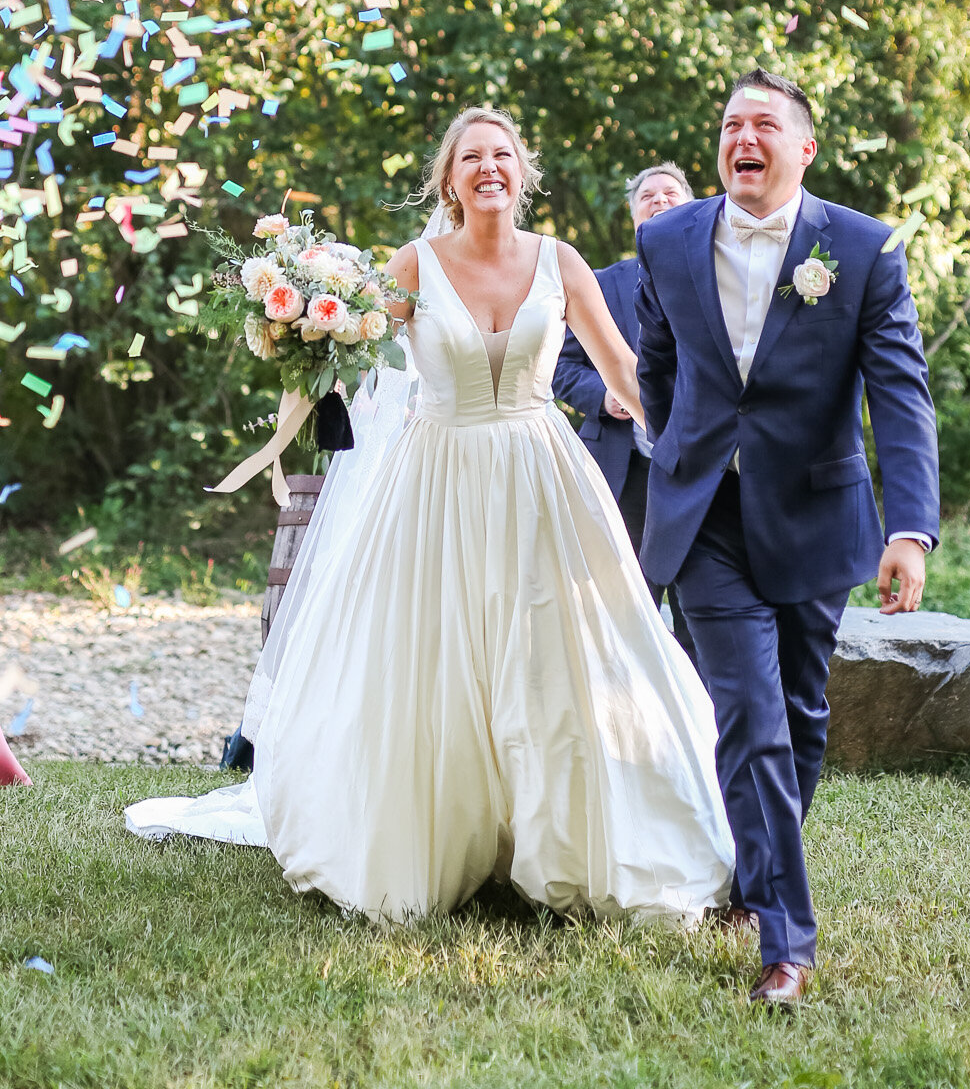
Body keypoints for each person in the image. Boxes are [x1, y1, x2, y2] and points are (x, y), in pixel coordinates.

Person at [132, 106, 733, 927]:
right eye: (471, 158)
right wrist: (312, 329)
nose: (489, 168)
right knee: (433, 656)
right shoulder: (413, 263)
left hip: (540, 477)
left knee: (557, 657)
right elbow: (360, 358)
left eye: (502, 155)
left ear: (523, 173)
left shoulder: (562, 263)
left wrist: (700, 445)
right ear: (448, 181)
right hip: (436, 478)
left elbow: (624, 377)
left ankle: (561, 839)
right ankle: (436, 838)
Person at [635, 68, 939, 1006]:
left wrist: (911, 531)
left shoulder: (860, 250)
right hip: (705, 522)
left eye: (763, 124)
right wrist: (686, 455)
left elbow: (899, 396)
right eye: (730, 124)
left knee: (802, 716)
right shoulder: (667, 240)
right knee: (750, 719)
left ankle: (749, 881)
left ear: (803, 150)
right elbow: (656, 365)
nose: (743, 138)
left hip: (813, 513)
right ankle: (787, 943)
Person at [553, 162, 696, 661]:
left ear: (693, 207)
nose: (658, 201)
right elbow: (562, 366)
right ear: (634, 216)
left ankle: (704, 724)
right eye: (647, 196)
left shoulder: (719, 278)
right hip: (623, 470)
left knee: (699, 610)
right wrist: (604, 397)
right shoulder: (599, 284)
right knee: (620, 606)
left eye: (670, 194)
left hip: (701, 473)